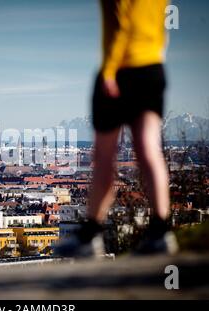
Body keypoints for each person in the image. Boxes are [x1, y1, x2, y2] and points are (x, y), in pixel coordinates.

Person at [56, 0, 178, 257]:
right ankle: (161, 231)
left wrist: (109, 71)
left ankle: (91, 235)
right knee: (149, 149)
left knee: (103, 158)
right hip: (152, 68)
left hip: (120, 70)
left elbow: (121, 26)